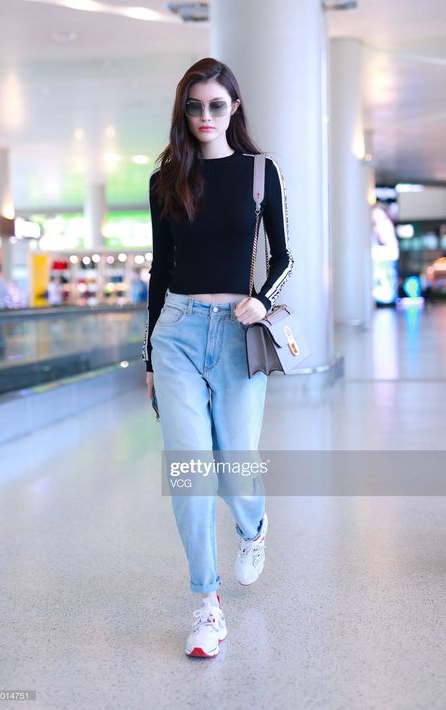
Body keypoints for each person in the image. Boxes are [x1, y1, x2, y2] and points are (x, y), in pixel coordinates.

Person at [141, 57, 294, 658]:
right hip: (176, 333)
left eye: (216, 105)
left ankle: (253, 527)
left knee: (234, 461)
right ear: (184, 112)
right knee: (189, 470)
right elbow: (160, 273)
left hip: (236, 333)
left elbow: (284, 258)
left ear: (233, 109)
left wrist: (260, 302)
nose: (205, 116)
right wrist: (149, 359)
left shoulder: (260, 173)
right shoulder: (165, 181)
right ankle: (207, 604)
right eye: (194, 106)